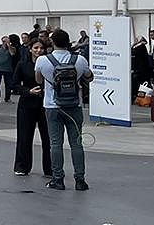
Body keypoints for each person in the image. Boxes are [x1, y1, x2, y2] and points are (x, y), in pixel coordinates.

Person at [36, 28, 94, 191]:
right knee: (76, 143)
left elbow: (38, 80)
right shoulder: (80, 60)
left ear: (52, 42)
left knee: (55, 143)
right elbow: (89, 77)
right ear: (68, 42)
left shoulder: (42, 60)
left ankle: (58, 179)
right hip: (74, 106)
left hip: (52, 105)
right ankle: (80, 180)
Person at [13, 39, 52, 177]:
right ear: (30, 49)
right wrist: (28, 91)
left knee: (48, 138)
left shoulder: (49, 64)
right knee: (24, 137)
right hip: (27, 104)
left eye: (41, 48)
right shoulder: (22, 64)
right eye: (35, 48)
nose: (38, 50)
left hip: (45, 104)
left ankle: (50, 168)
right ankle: (22, 166)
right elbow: (15, 84)